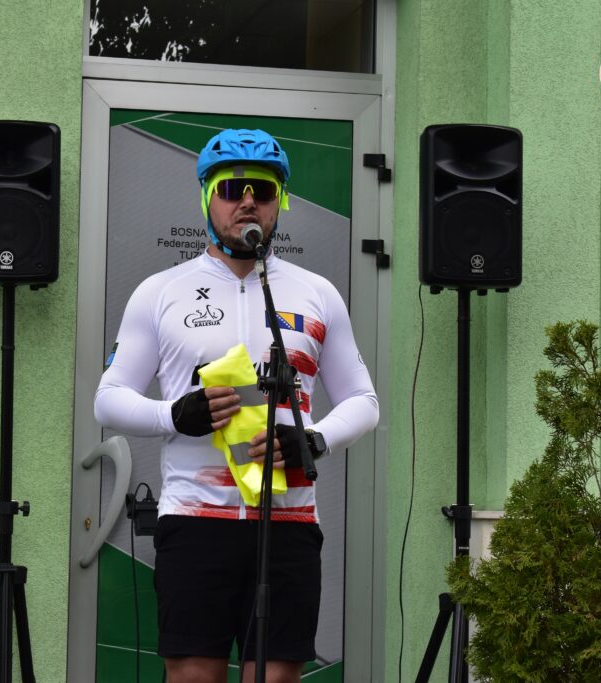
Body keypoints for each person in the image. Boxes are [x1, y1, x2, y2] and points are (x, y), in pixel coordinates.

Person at [94, 129, 379, 683]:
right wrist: (173, 414)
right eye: (231, 189)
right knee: (194, 677)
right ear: (207, 197)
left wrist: (315, 439)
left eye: (262, 191)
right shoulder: (161, 291)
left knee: (275, 678)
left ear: (280, 202)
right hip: (196, 520)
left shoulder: (317, 293)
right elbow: (108, 400)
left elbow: (364, 401)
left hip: (289, 520)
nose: (247, 202)